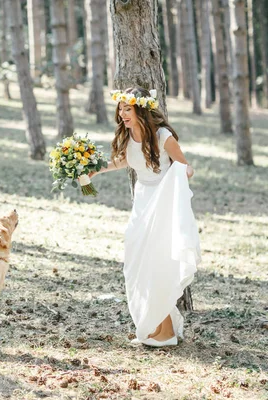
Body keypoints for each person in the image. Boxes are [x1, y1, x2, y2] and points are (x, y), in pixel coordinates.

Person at [89, 87, 201, 347]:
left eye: (128, 109)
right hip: (142, 204)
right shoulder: (128, 136)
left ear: (141, 110)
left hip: (163, 205)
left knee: (158, 263)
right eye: (121, 108)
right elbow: (123, 161)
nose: (122, 113)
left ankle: (166, 332)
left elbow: (186, 166)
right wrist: (96, 170)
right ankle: (158, 327)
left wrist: (182, 175)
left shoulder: (163, 136)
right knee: (138, 261)